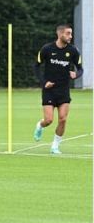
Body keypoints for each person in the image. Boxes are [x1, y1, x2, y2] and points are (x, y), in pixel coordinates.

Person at [33, 24, 84, 154]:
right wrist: (44, 82)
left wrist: (76, 74)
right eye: (68, 33)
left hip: (64, 90)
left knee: (63, 119)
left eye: (71, 33)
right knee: (49, 120)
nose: (70, 36)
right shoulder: (47, 49)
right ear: (60, 34)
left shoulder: (73, 51)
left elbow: (80, 69)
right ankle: (40, 125)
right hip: (49, 91)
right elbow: (36, 66)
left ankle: (55, 146)